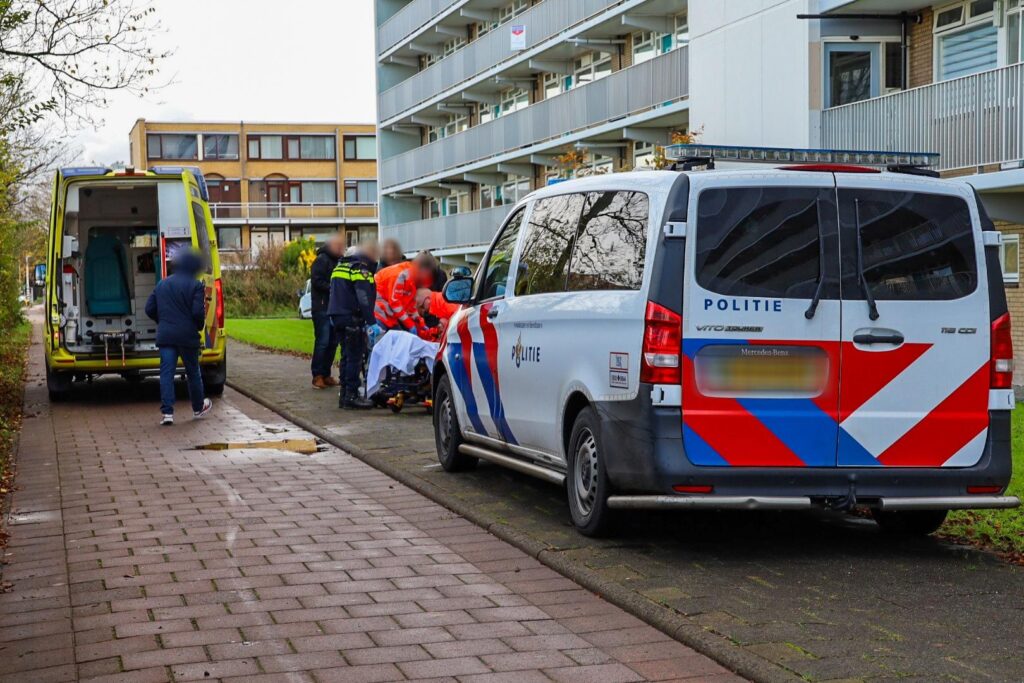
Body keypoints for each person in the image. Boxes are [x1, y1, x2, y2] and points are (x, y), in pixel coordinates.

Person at [145, 248, 213, 426]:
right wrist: (197, 327)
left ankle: (167, 413)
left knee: (166, 374)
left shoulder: (162, 284)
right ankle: (198, 408)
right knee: (193, 372)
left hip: (166, 335)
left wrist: (163, 321)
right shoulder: (196, 285)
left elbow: (149, 308)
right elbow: (198, 313)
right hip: (187, 336)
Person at [328, 245, 377, 410]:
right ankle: (351, 395)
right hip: (352, 318)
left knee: (345, 355)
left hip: (337, 317)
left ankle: (344, 394)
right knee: (355, 357)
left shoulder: (339, 268)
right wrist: (371, 321)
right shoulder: (358, 269)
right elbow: (363, 296)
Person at [373, 251, 438, 339]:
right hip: (378, 315)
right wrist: (410, 325)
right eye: (428, 275)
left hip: (388, 316)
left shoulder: (412, 279)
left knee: (399, 343)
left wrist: (420, 322)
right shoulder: (401, 275)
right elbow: (395, 303)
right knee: (380, 347)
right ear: (423, 269)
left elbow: (409, 306)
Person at [309, 235, 344, 390]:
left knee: (332, 342)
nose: (341, 249)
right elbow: (317, 282)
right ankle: (317, 375)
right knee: (323, 341)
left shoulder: (339, 261)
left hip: (334, 308)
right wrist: (334, 287)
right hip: (322, 307)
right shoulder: (321, 260)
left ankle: (326, 373)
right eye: (338, 246)